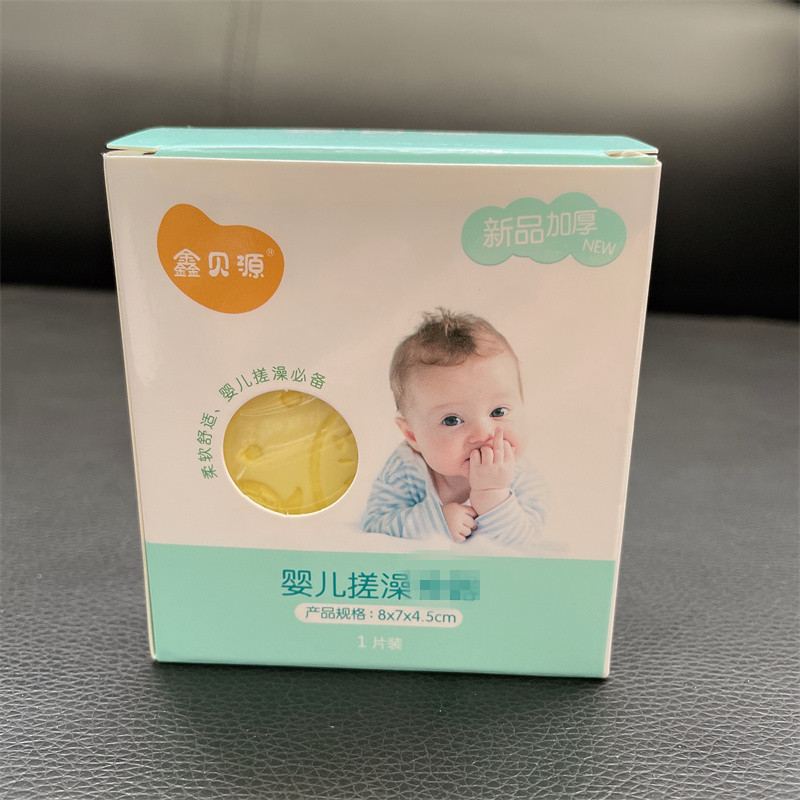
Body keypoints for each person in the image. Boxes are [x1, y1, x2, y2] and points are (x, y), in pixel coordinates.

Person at [362, 309, 546, 548]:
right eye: (452, 420)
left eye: (498, 412)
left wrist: (492, 493)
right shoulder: (405, 470)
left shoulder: (520, 476)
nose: (483, 434)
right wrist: (436, 522)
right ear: (412, 435)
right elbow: (375, 526)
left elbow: (526, 541)